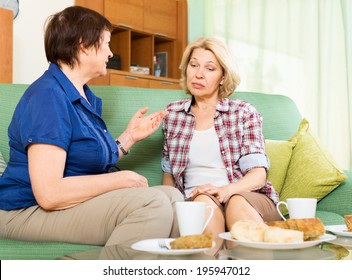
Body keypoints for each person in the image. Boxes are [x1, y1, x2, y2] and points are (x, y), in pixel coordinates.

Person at [0, 6, 183, 247]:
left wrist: (128, 138)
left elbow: (83, 158)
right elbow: (49, 193)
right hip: (24, 209)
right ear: (83, 45)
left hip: (58, 202)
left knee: (172, 198)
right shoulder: (48, 97)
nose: (110, 53)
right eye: (106, 43)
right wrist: (122, 179)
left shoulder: (82, 96)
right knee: (153, 204)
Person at [161, 37, 281, 240]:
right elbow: (168, 176)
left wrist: (225, 191)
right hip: (197, 201)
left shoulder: (243, 112)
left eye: (210, 68)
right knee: (204, 204)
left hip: (245, 196)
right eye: (194, 65)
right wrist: (170, 208)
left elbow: (258, 175)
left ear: (223, 77)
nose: (199, 74)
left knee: (236, 204)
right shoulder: (172, 115)